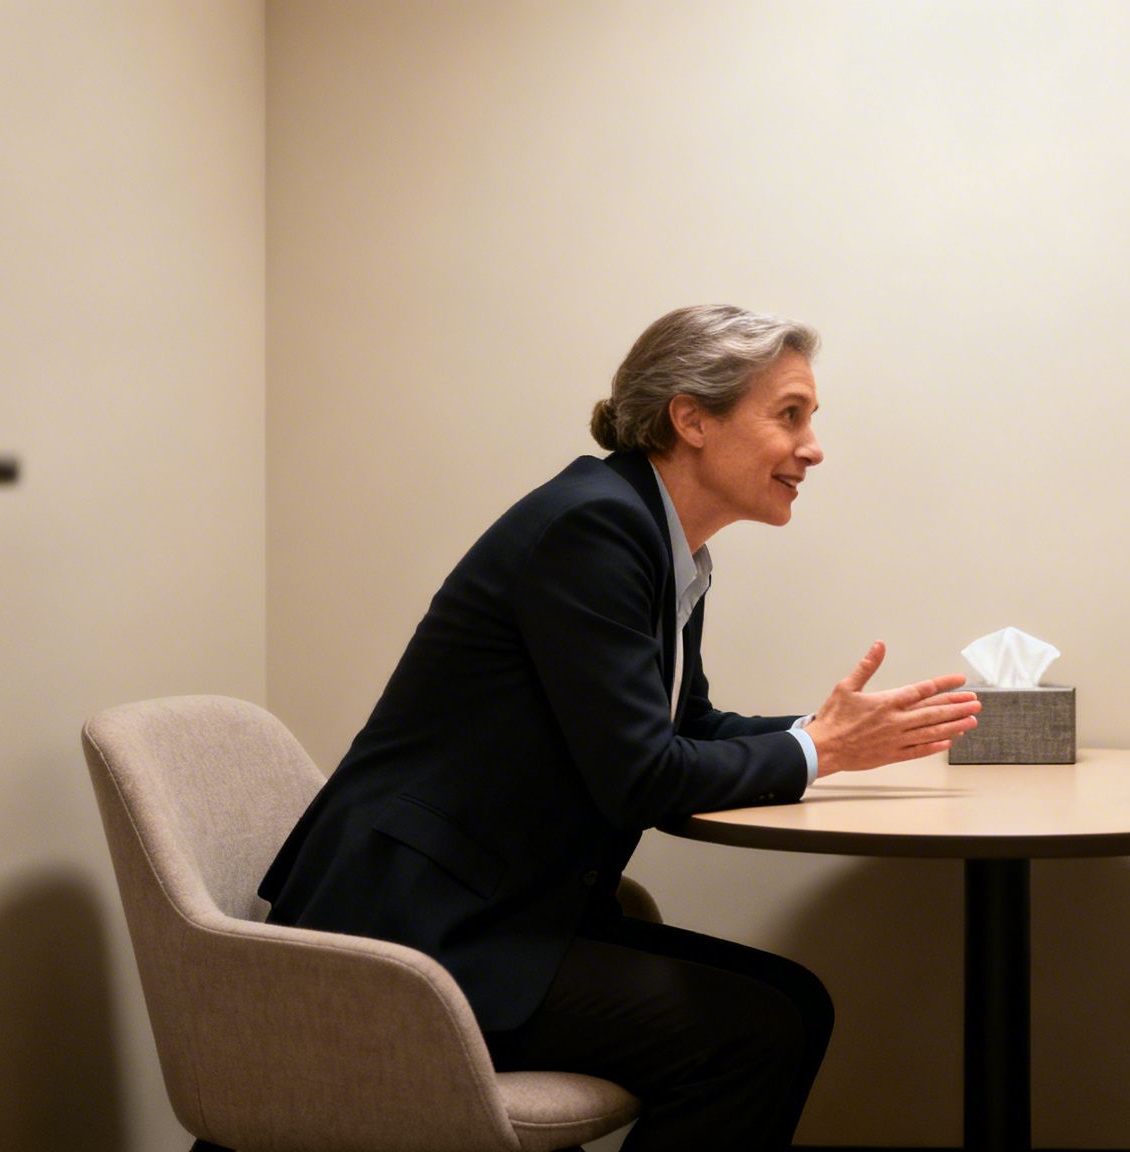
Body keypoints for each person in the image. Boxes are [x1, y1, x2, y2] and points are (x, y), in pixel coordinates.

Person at [260, 304, 982, 1151]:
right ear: (692, 419)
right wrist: (818, 750)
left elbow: (689, 724)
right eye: (790, 415)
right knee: (757, 1032)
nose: (812, 446)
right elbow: (643, 776)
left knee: (796, 1004)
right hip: (414, 934)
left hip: (500, 910)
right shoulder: (594, 527)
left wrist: (829, 733)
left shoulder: (663, 543)